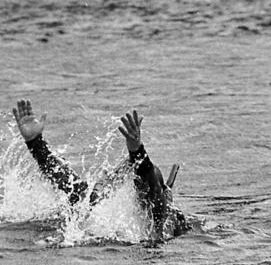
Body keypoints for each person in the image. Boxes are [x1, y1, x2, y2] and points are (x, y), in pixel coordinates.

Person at [11, 99, 190, 242]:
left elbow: (152, 182)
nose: (105, 182)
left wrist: (136, 150)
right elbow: (62, 177)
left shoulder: (159, 215)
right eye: (107, 179)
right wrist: (35, 143)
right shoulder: (95, 204)